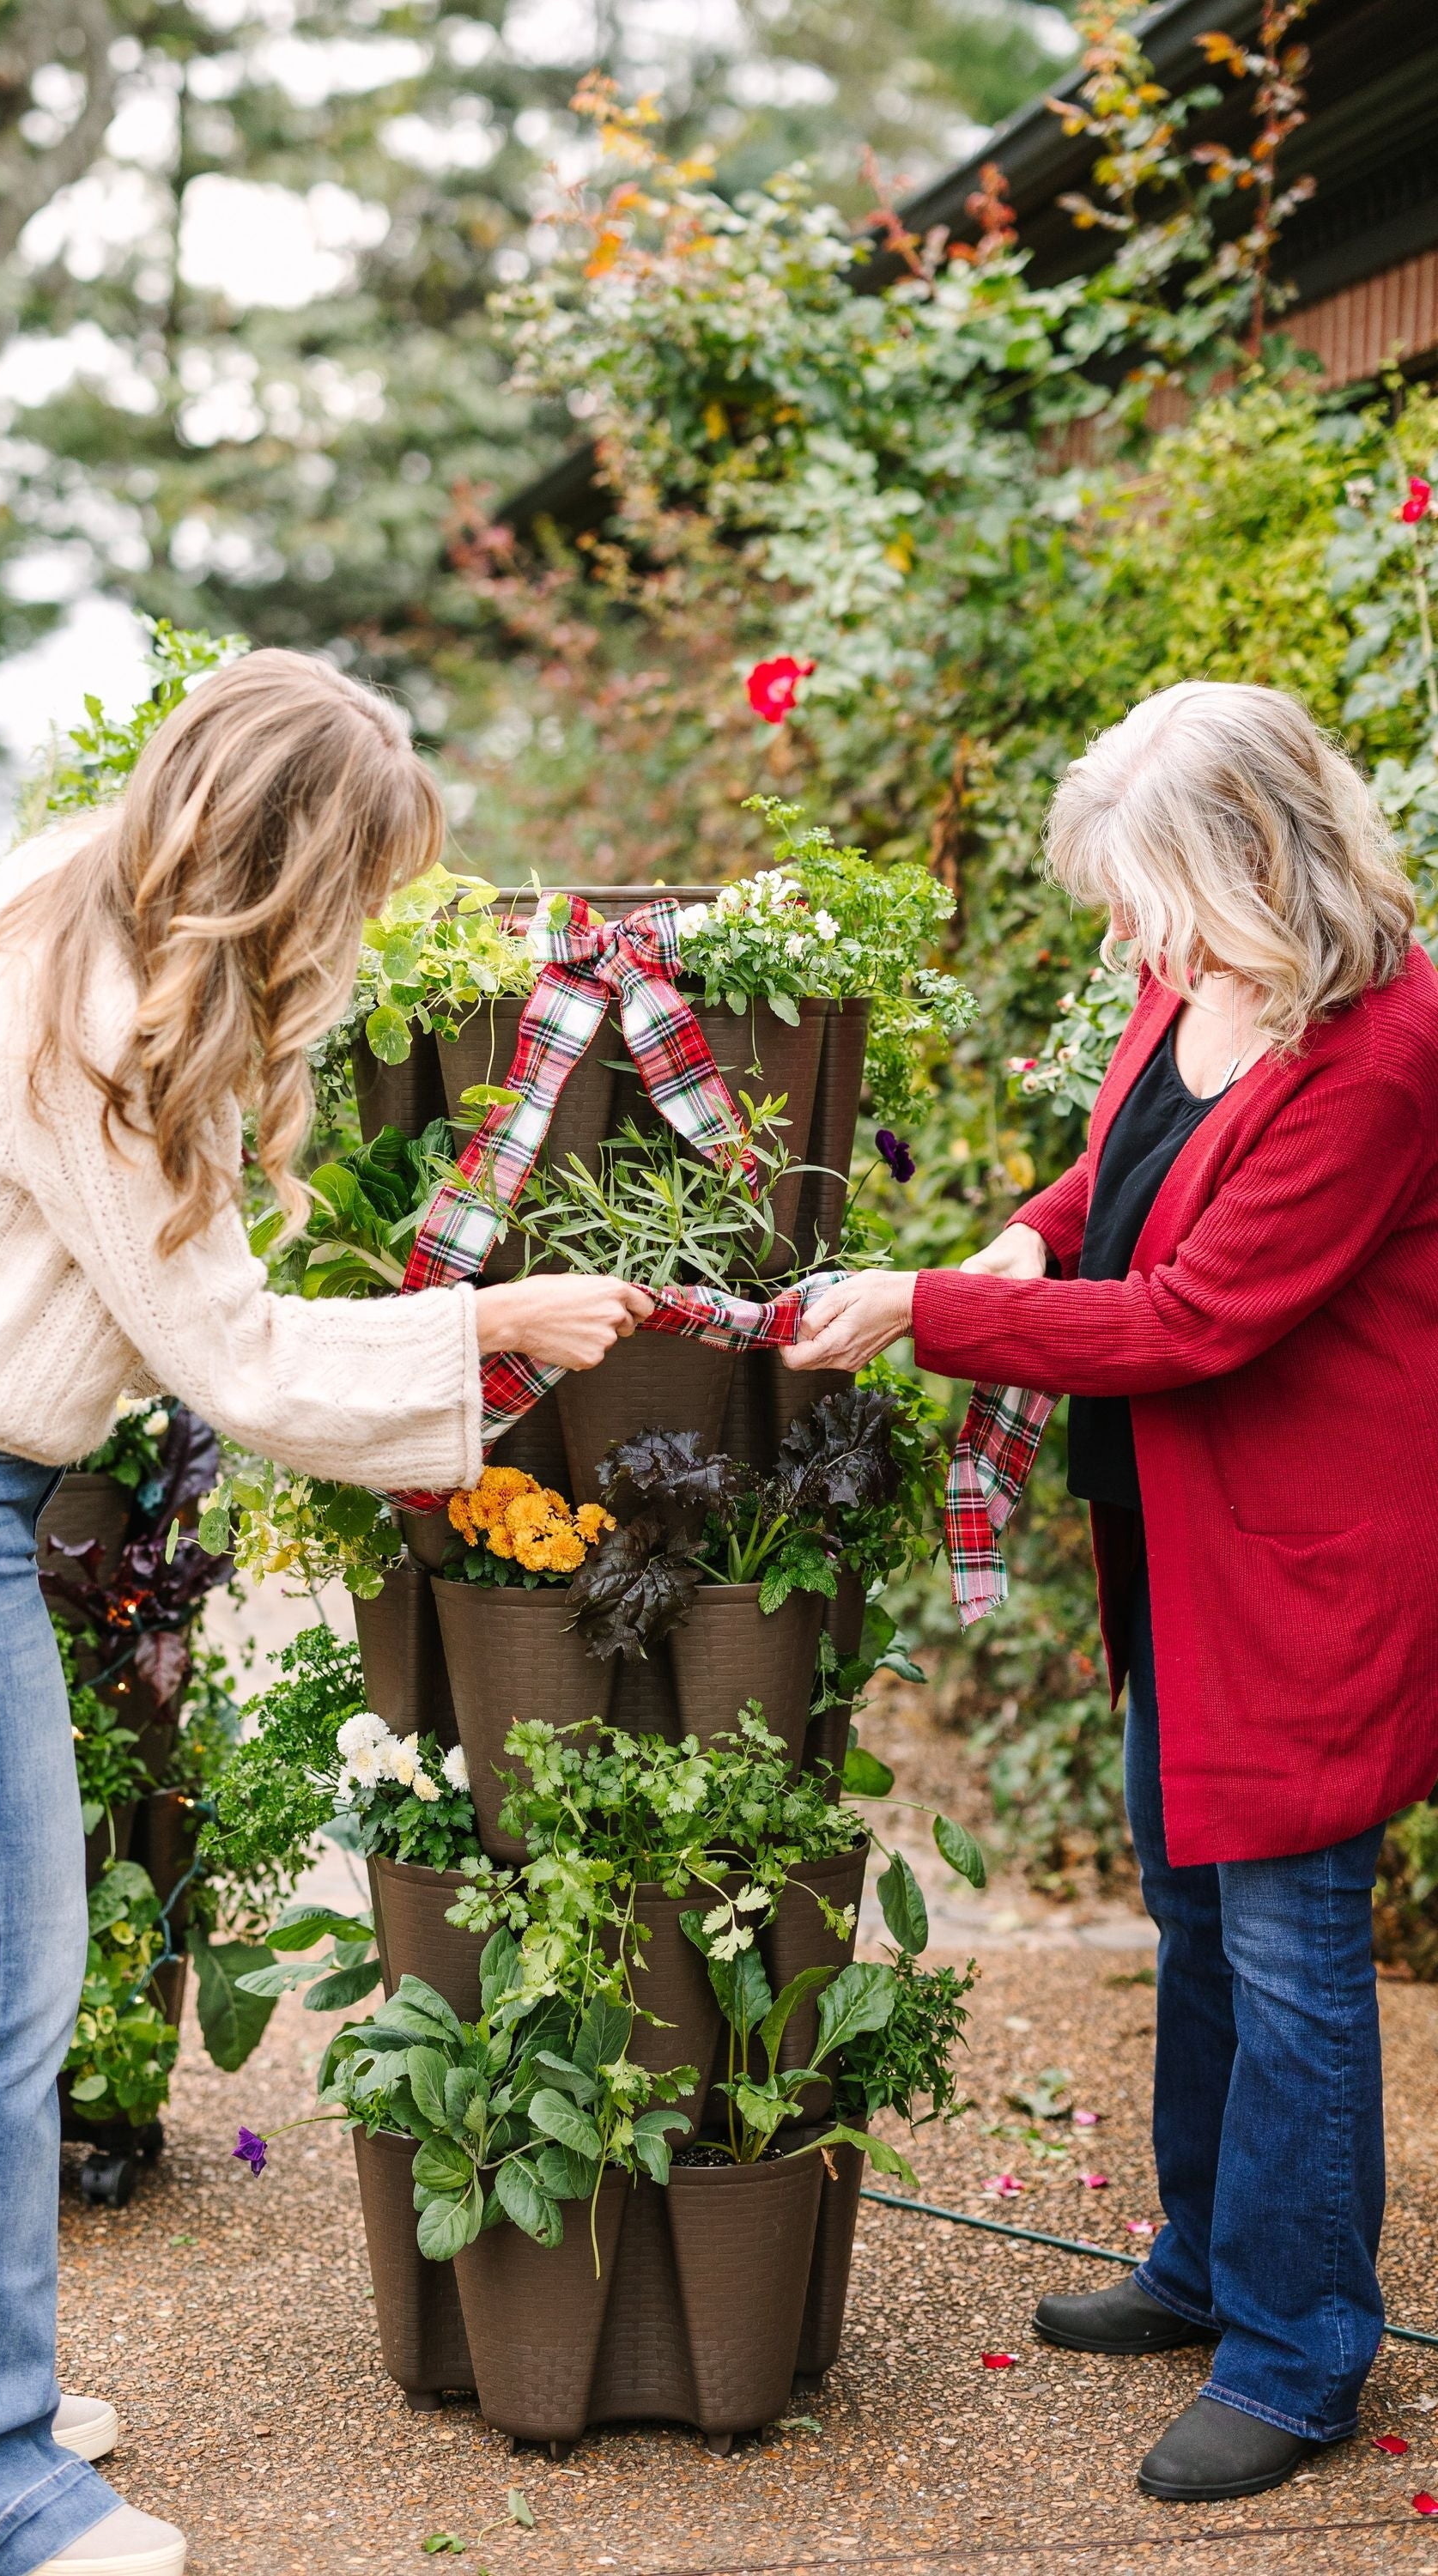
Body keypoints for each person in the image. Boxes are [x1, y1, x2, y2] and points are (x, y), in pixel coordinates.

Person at [0, 650, 651, 2576]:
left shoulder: (74, 890)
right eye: (360, 882)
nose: (365, 924)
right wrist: (485, 1324)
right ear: (285, 858)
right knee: (4, 1975)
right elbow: (226, 1358)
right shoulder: (107, 1019)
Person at [786, 681, 1438, 2503]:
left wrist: (930, 1304)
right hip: (1178, 1533)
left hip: (1306, 1567)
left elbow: (1196, 1317)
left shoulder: (1379, 1049)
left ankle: (1304, 2349)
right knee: (1192, 1907)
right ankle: (1203, 2265)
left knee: (1294, 1950)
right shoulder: (1203, 977)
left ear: (1257, 856)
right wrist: (1021, 1230)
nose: (1125, 936)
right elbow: (1121, 1175)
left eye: (1149, 891)